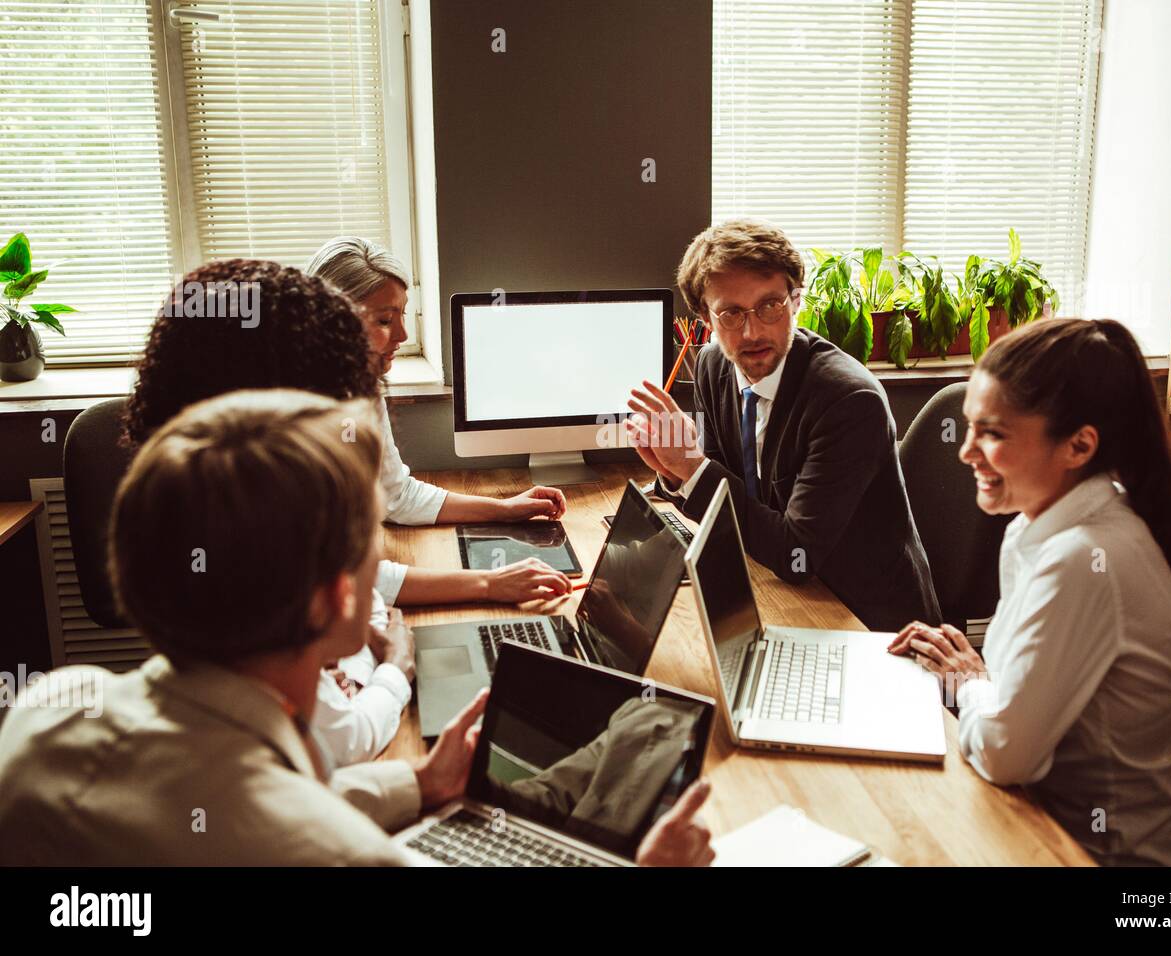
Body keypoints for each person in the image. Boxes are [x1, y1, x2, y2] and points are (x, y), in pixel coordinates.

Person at [0, 390, 714, 866]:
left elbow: (226, 806)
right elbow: (271, 819)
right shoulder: (342, 854)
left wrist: (417, 786)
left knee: (632, 736)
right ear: (340, 600)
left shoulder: (46, 717)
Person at [121, 259, 571, 765]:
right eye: (383, 319)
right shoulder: (259, 518)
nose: (399, 335)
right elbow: (332, 744)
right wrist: (396, 667)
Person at [889, 318, 1171, 867]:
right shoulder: (1038, 526)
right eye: (969, 428)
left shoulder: (1082, 561)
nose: (966, 451)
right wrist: (984, 685)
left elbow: (1003, 754)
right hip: (1040, 815)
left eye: (992, 433)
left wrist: (971, 685)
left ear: (1078, 446)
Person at [627, 218, 940, 630]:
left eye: (770, 305)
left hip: (868, 621)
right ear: (706, 317)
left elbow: (798, 555)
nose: (753, 331)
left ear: (795, 301)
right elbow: (724, 487)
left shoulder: (848, 400)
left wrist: (689, 466)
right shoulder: (713, 363)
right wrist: (670, 471)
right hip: (775, 585)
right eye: (731, 313)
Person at [305, 236, 572, 608]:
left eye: (402, 314)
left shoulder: (362, 387)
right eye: (384, 320)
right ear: (331, 321)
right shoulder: (295, 429)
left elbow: (397, 496)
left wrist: (504, 509)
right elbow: (343, 579)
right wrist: (487, 583)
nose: (402, 335)